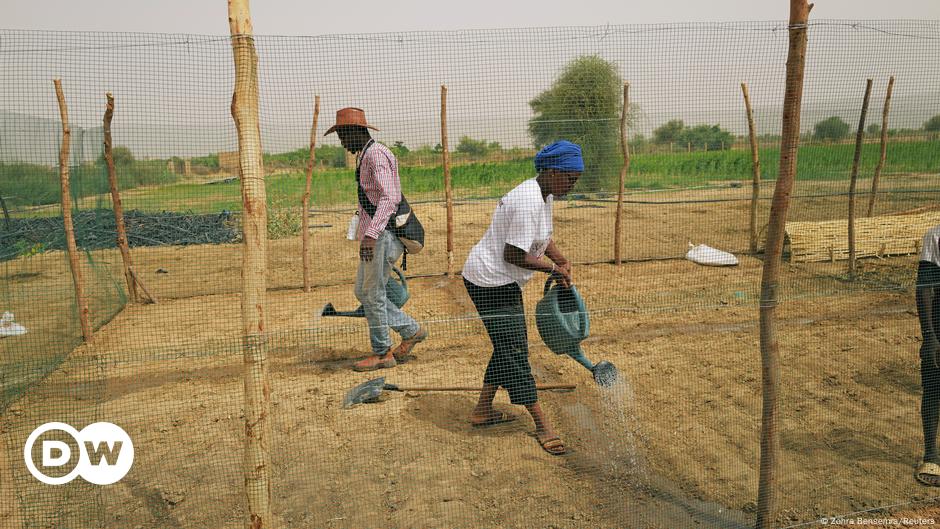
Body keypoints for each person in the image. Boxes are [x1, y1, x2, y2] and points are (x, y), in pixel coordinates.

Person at [461, 140, 582, 456]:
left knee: (506, 345)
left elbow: (542, 238)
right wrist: (551, 271)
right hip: (490, 282)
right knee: (515, 350)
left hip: (498, 279)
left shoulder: (544, 193)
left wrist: (561, 260)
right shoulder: (528, 200)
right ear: (553, 171)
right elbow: (514, 254)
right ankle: (542, 424)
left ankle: (482, 410)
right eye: (570, 179)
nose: (573, 185)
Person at [324, 107, 428, 372]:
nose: (342, 143)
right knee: (364, 291)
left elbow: (389, 197)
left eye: (343, 137)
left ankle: (382, 353)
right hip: (375, 235)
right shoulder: (365, 155)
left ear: (355, 132)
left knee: (373, 293)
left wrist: (370, 235)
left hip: (382, 236)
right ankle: (411, 330)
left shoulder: (375, 155)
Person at [916, 225, 940, 485]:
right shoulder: (936, 236)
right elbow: (924, 288)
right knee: (934, 387)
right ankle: (931, 452)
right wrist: (930, 336)